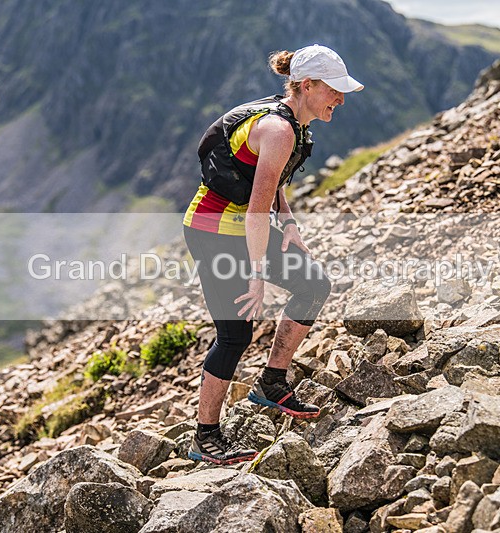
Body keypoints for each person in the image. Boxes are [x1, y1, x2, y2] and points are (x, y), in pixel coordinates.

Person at [182, 44, 363, 465]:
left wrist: (293, 225)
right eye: (334, 90)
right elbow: (258, 208)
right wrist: (257, 274)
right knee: (236, 334)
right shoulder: (280, 129)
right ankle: (205, 438)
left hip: (247, 226)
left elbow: (271, 180)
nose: (340, 98)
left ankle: (272, 382)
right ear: (307, 85)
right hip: (212, 230)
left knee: (314, 284)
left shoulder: (291, 123)